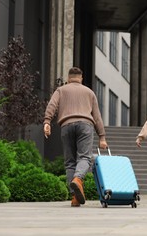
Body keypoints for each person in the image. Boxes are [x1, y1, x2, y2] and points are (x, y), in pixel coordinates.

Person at [43, 67, 108, 207]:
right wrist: (102, 137)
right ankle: (78, 179)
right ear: (81, 78)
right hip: (85, 125)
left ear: (68, 78)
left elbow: (52, 105)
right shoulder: (89, 92)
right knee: (84, 158)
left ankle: (75, 197)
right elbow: (97, 116)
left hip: (66, 125)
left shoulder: (61, 90)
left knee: (70, 162)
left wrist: (47, 121)